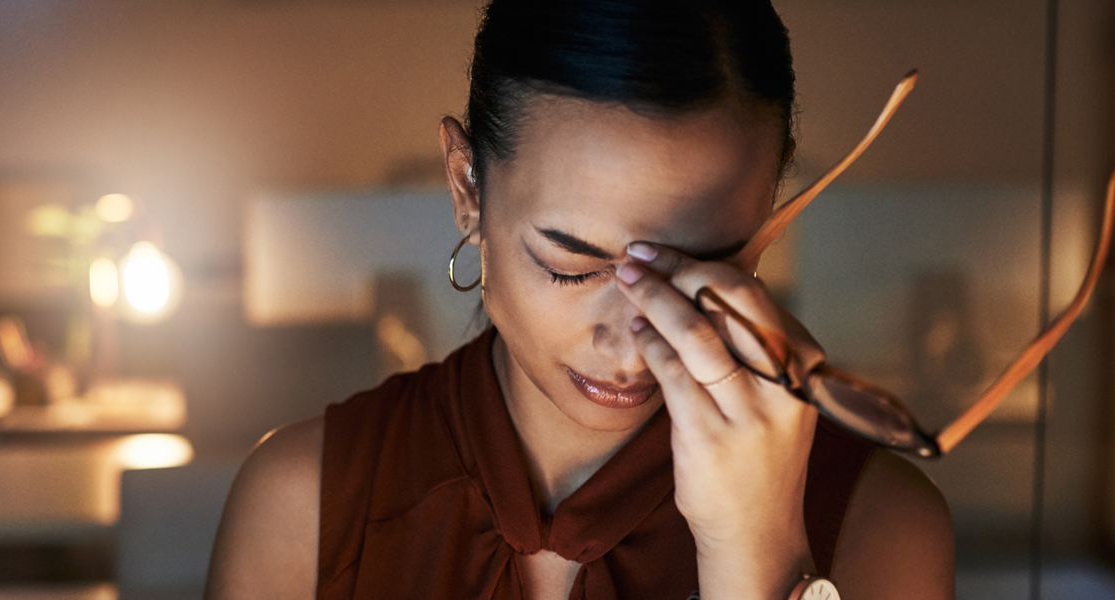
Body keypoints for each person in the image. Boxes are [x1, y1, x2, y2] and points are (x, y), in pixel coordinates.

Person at [206, 1, 953, 598]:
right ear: (467, 186)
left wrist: (758, 558)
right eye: (570, 264)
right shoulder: (303, 507)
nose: (632, 346)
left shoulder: (881, 527)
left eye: (701, 268)